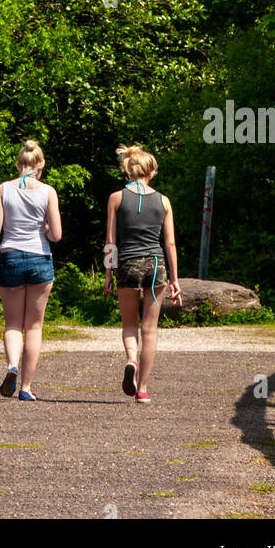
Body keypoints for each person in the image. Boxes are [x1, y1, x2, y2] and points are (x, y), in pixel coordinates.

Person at [0, 140, 62, 401]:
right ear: (40, 165)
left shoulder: (3, 189)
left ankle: (12, 367)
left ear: (18, 164)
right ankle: (26, 388)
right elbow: (57, 235)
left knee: (12, 324)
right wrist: (41, 229)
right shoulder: (48, 192)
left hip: (10, 258)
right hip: (40, 259)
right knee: (33, 326)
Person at [104, 143, 181, 403]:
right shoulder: (163, 201)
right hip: (156, 265)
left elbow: (110, 241)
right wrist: (174, 279)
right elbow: (169, 242)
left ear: (128, 170)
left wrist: (107, 274)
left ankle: (131, 360)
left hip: (127, 263)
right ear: (150, 172)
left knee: (129, 325)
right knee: (150, 330)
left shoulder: (116, 198)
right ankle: (143, 389)